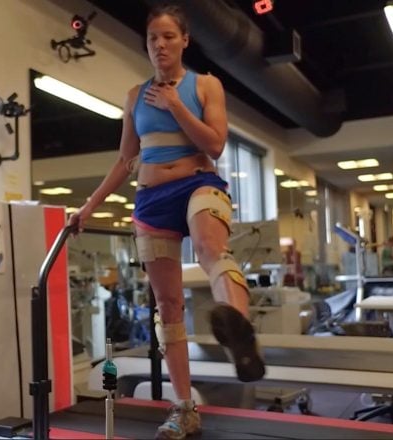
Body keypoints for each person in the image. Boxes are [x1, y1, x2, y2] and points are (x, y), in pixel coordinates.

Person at [68, 5, 264, 439]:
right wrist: (88, 207)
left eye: (168, 36)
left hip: (197, 184)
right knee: (168, 307)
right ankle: (184, 408)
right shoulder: (134, 96)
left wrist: (176, 105)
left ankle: (238, 328)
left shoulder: (206, 85)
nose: (159, 44)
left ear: (185, 40)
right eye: (153, 37)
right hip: (151, 201)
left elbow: (215, 145)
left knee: (211, 248)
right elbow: (125, 160)